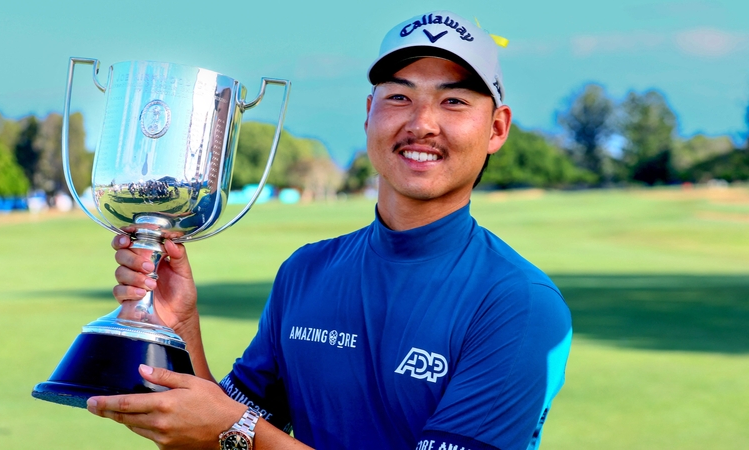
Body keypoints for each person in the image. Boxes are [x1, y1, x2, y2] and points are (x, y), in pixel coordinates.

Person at [87, 10, 572, 450]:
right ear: (368, 113)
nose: (422, 123)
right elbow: (222, 432)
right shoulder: (307, 270)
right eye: (400, 96)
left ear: (497, 129)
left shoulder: (518, 303)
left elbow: (236, 432)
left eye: (454, 101)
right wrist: (179, 325)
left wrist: (238, 432)